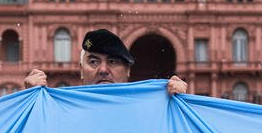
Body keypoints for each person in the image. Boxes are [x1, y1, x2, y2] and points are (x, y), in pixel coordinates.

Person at [23, 29, 188, 95]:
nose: (103, 69)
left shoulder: (153, 109)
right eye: (93, 62)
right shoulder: (56, 110)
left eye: (113, 61)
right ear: (81, 69)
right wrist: (31, 100)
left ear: (128, 70)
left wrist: (181, 105)